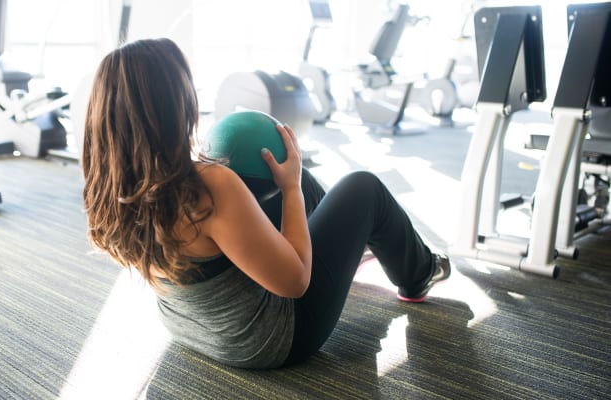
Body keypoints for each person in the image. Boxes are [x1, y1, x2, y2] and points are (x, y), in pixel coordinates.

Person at [81, 38, 451, 369]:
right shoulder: (209, 187)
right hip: (267, 340)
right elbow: (294, 283)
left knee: (281, 178)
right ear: (174, 106)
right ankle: (419, 274)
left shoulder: (109, 189)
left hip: (188, 326)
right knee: (362, 187)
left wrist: (291, 182)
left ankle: (342, 251)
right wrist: (290, 189)